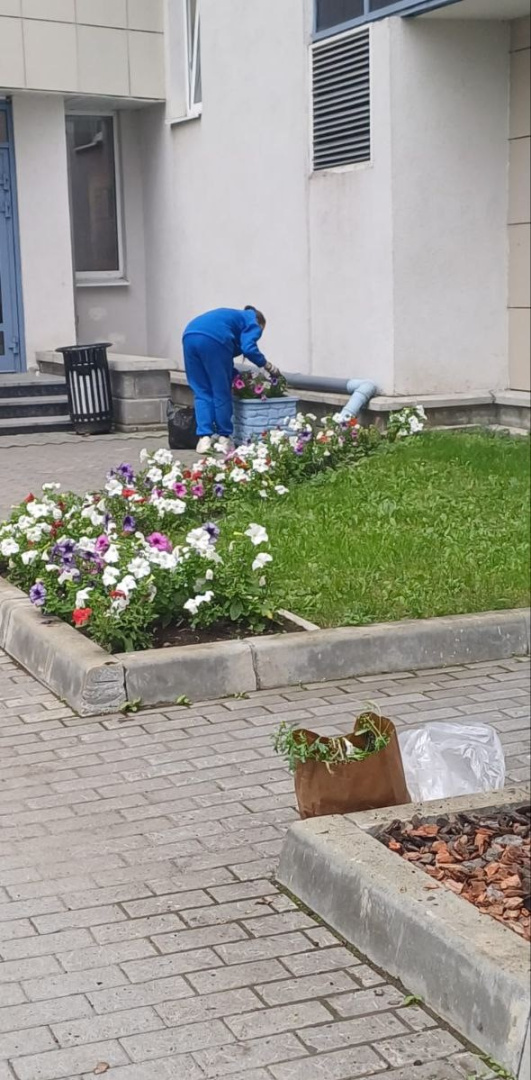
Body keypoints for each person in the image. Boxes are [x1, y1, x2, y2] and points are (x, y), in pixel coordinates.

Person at [182, 306, 282, 454]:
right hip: (215, 340)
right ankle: (224, 438)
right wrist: (267, 365)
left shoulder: (231, 317)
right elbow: (248, 348)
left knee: (201, 391)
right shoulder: (253, 321)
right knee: (221, 391)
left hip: (189, 336)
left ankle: (204, 439)